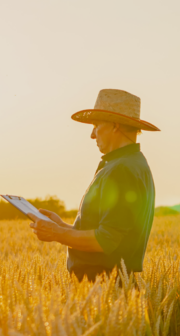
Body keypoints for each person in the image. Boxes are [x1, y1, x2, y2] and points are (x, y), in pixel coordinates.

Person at [28, 89, 159, 282]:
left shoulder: (122, 169)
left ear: (115, 126)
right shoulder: (128, 164)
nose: (92, 134)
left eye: (96, 125)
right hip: (104, 285)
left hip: (103, 285)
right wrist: (62, 226)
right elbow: (108, 229)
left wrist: (57, 233)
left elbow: (106, 239)